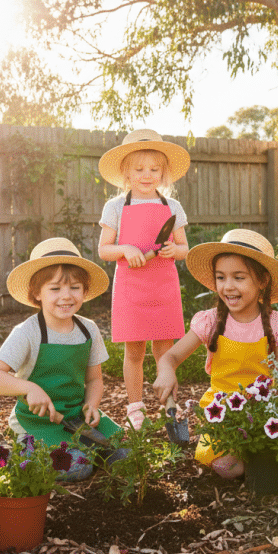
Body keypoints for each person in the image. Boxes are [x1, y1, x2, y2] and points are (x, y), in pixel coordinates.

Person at [153, 229, 278, 479]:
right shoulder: (210, 321)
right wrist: (166, 372)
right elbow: (170, 357)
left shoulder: (277, 323)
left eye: (239, 277)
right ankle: (257, 463)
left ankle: (263, 460)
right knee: (226, 467)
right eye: (221, 277)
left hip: (265, 410)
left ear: (262, 280)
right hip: (223, 413)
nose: (228, 286)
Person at [0, 238, 125, 480]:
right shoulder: (28, 332)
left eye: (75, 287)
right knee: (78, 467)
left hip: (75, 418)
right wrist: (29, 387)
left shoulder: (88, 330)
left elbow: (95, 379)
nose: (66, 296)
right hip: (36, 422)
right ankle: (2, 453)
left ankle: (70, 450)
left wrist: (91, 405)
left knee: (124, 453)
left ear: (85, 291)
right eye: (55, 289)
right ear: (37, 293)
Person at [97, 129, 191, 430]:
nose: (147, 175)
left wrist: (174, 249)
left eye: (154, 169)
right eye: (139, 169)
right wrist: (124, 248)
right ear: (126, 173)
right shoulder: (115, 207)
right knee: (134, 350)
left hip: (163, 287)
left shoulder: (171, 207)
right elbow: (104, 250)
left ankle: (169, 404)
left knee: (165, 350)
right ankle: (135, 406)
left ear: (163, 173)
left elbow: (185, 249)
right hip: (131, 288)